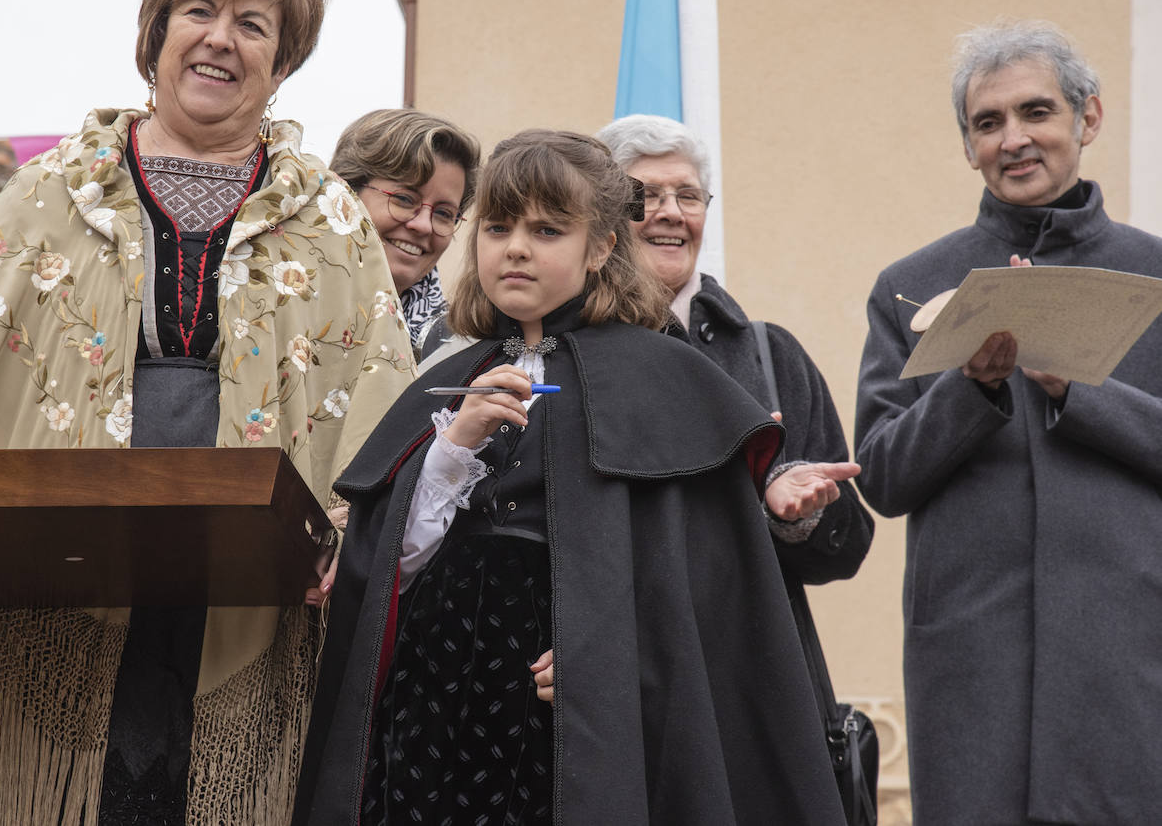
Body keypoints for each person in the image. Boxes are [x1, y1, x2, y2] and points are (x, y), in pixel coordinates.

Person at [0, 0, 414, 826]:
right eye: (198, 11)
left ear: (280, 66)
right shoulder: (50, 187)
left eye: (253, 24)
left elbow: (380, 398)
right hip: (44, 574)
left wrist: (351, 533)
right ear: (155, 37)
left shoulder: (332, 217)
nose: (220, 37)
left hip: (241, 581)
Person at [293, 130, 845, 825]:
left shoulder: (665, 382)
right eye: (497, 227)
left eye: (547, 229)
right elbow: (388, 575)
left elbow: (702, 597)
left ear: (602, 247)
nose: (516, 247)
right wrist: (454, 446)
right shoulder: (444, 385)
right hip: (430, 721)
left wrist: (612, 651)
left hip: (578, 734)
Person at [854, 20, 1162, 823]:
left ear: (1087, 120)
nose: (1014, 139)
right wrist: (970, 386)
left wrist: (1074, 388)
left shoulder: (1153, 276)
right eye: (988, 123)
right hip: (971, 664)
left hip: (1128, 657)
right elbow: (882, 476)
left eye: (1037, 112)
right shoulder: (912, 285)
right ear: (968, 147)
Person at [597, 114, 872, 584]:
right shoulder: (572, 352)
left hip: (751, 652)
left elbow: (847, 552)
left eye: (688, 195)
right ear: (605, 218)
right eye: (645, 195)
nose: (671, 212)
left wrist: (792, 514)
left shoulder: (772, 353)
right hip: (621, 645)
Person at [330, 108, 480, 349]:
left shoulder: (458, 350)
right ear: (347, 193)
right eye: (404, 199)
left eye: (443, 213)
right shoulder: (277, 308)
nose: (423, 225)